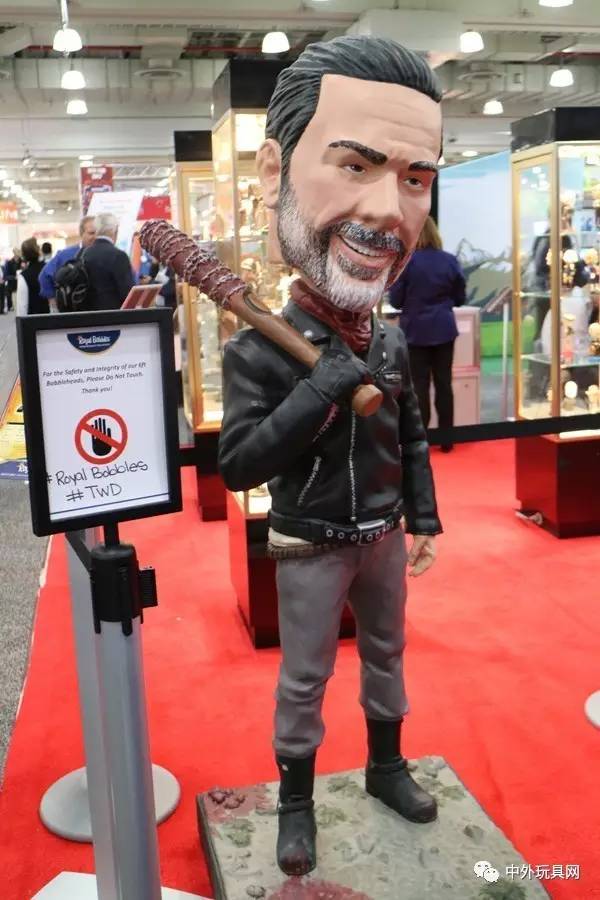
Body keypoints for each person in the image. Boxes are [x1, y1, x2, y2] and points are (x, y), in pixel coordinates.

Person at [218, 36, 443, 877]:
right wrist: (318, 390)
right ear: (274, 173)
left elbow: (410, 436)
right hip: (309, 539)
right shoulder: (260, 351)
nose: (388, 208)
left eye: (415, 178)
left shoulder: (386, 342)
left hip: (381, 533)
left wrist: (424, 518)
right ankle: (297, 803)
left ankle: (386, 766)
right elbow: (240, 464)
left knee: (387, 655)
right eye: (355, 165)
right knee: (304, 678)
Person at [388, 216, 465, 450]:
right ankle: (447, 440)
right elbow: (460, 297)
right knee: (444, 384)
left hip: (415, 331)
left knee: (418, 386)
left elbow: (396, 300)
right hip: (444, 328)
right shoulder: (450, 260)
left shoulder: (406, 262)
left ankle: (422, 440)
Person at [39, 216, 97, 309]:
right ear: (81, 233)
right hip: (73, 309)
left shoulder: (105, 254)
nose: (96, 237)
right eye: (91, 233)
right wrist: (54, 301)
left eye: (99, 233)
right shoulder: (65, 255)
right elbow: (44, 276)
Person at [83, 212, 134, 309]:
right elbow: (127, 293)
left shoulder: (83, 254)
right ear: (115, 230)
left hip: (87, 313)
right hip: (113, 313)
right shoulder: (119, 256)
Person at [16, 238, 48, 315]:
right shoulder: (48, 268)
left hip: (33, 318)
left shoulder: (24, 275)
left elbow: (22, 307)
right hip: (51, 316)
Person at [2, 247, 21, 313]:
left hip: (21, 284)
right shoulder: (9, 262)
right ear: (14, 253)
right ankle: (11, 307)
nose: (17, 253)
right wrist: (14, 277)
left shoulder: (23, 261)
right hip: (12, 286)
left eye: (18, 251)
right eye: (16, 252)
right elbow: (5, 276)